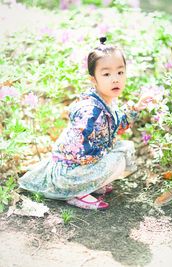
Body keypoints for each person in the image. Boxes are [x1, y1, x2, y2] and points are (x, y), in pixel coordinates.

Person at [19, 37, 154, 210]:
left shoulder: (105, 101)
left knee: (123, 149)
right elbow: (76, 148)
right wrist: (101, 157)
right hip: (69, 173)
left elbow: (117, 124)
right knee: (121, 153)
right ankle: (77, 192)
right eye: (106, 74)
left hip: (81, 165)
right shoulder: (90, 111)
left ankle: (91, 183)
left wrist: (137, 106)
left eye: (120, 72)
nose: (115, 79)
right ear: (93, 80)